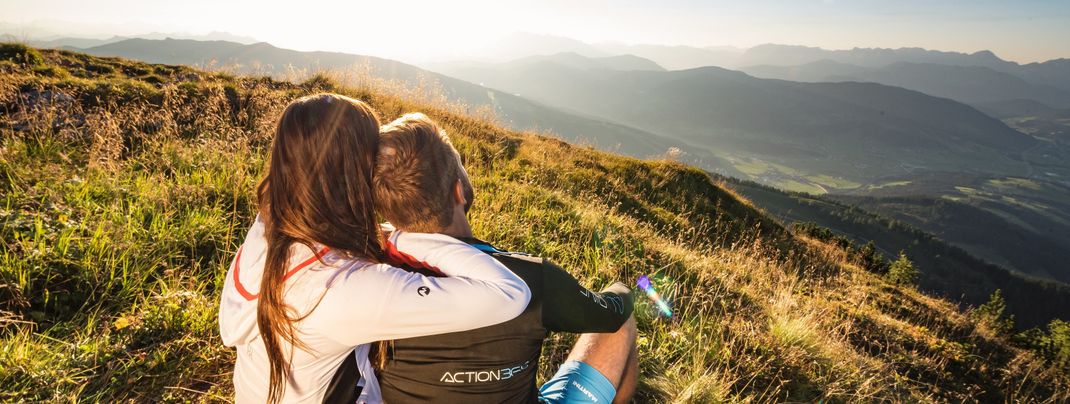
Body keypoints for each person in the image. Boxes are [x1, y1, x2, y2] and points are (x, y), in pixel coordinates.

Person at [217, 94, 532, 404]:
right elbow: (508, 293)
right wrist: (403, 237)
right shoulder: (342, 287)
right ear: (355, 174)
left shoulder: (271, 225)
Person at [356, 113, 639, 403]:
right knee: (622, 323)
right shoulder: (530, 277)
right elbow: (609, 315)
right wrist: (627, 290)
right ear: (458, 191)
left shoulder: (364, 270)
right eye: (460, 164)